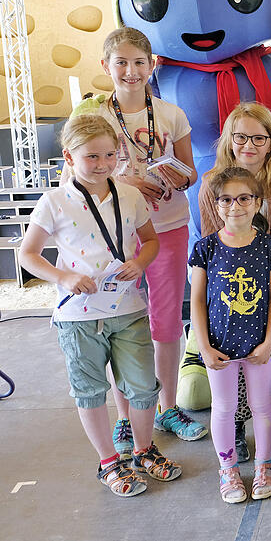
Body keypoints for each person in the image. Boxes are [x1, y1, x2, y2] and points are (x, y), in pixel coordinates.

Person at [20, 114, 181, 497]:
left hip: (128, 309)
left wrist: (139, 262)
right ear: (69, 157)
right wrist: (64, 278)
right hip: (78, 317)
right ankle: (109, 461)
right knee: (90, 391)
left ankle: (143, 450)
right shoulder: (54, 201)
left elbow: (151, 240)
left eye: (110, 155)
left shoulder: (128, 194)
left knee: (143, 386)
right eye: (92, 156)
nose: (103, 163)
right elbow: (28, 254)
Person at [68, 27, 206, 449]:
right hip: (111, 234)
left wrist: (173, 177)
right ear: (105, 65)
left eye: (139, 62)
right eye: (121, 62)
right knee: (120, 321)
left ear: (153, 65)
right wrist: (125, 178)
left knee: (164, 321)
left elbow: (191, 172)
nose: (131, 71)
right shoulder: (92, 117)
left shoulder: (171, 114)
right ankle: (127, 415)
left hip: (166, 227)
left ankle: (166, 408)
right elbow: (72, 175)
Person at [198, 102, 271, 463]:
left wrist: (262, 273)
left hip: (269, 273)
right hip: (226, 287)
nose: (249, 145)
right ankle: (236, 429)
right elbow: (212, 243)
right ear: (229, 138)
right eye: (241, 136)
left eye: (259, 137)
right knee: (228, 362)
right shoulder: (211, 184)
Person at [189, 167, 271, 503]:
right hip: (219, 346)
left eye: (244, 198)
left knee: (262, 405)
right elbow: (198, 302)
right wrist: (203, 347)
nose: (236, 206)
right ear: (216, 205)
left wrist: (270, 340)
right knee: (224, 407)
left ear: (258, 202)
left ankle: (264, 465)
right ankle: (228, 469)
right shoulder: (205, 249)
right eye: (227, 200)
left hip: (259, 344)